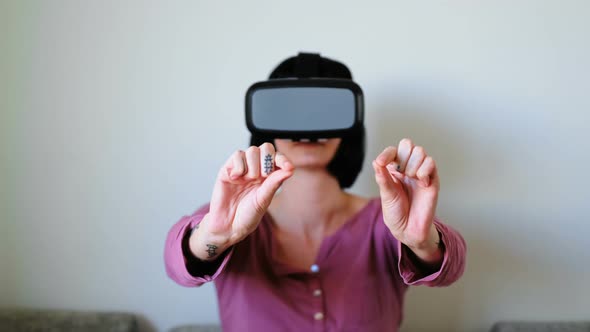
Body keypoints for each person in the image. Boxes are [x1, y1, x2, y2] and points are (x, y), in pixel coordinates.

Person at [164, 53, 466, 332]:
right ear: (267, 124)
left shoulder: (388, 221)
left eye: (324, 110)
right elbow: (178, 266)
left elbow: (450, 269)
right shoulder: (228, 218)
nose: (307, 127)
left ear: (348, 127)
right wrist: (212, 239)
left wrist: (422, 242)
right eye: (291, 112)